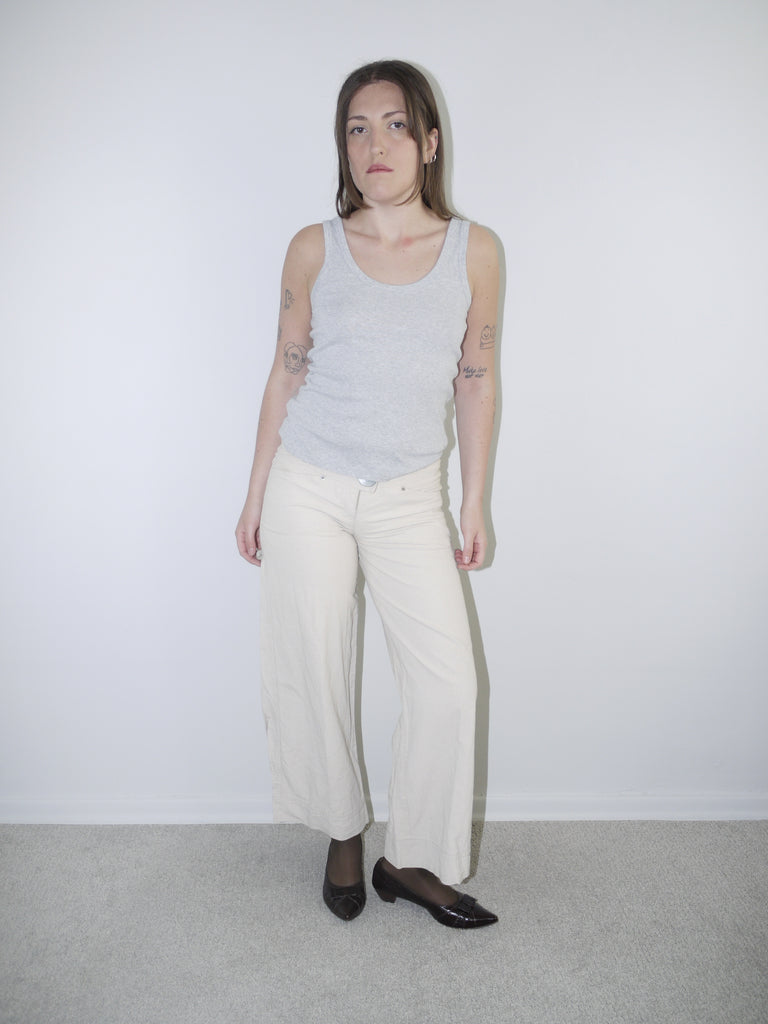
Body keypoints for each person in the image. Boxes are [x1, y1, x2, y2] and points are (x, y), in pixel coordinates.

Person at [236, 60, 499, 928]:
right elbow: (286, 369)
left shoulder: (476, 252)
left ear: (429, 141)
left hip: (407, 496)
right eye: (357, 127)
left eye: (394, 125)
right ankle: (343, 831)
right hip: (307, 487)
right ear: (341, 146)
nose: (374, 144)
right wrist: (254, 491)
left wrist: (474, 501)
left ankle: (411, 859)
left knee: (449, 685)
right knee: (313, 667)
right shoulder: (314, 247)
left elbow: (477, 378)